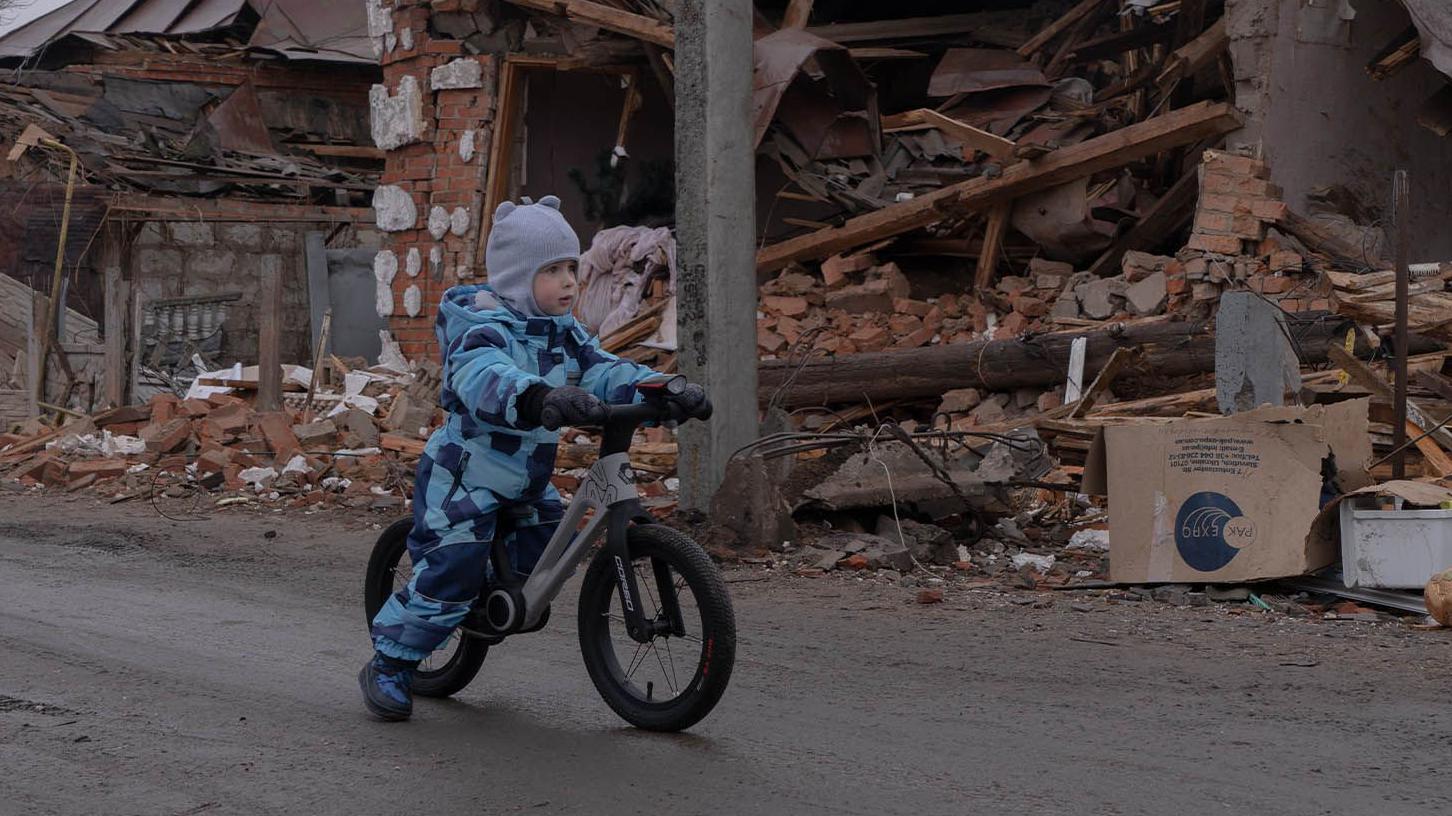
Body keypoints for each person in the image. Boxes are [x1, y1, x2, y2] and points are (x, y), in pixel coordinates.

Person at [360, 195, 707, 721]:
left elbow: (603, 368)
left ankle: (492, 594)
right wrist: (538, 396)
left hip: (525, 480)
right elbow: (482, 375)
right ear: (519, 278)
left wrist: (663, 388)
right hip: (466, 475)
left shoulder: (562, 331)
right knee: (451, 571)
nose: (569, 281)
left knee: (548, 546)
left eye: (571, 267)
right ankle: (390, 662)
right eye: (552, 271)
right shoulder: (481, 325)